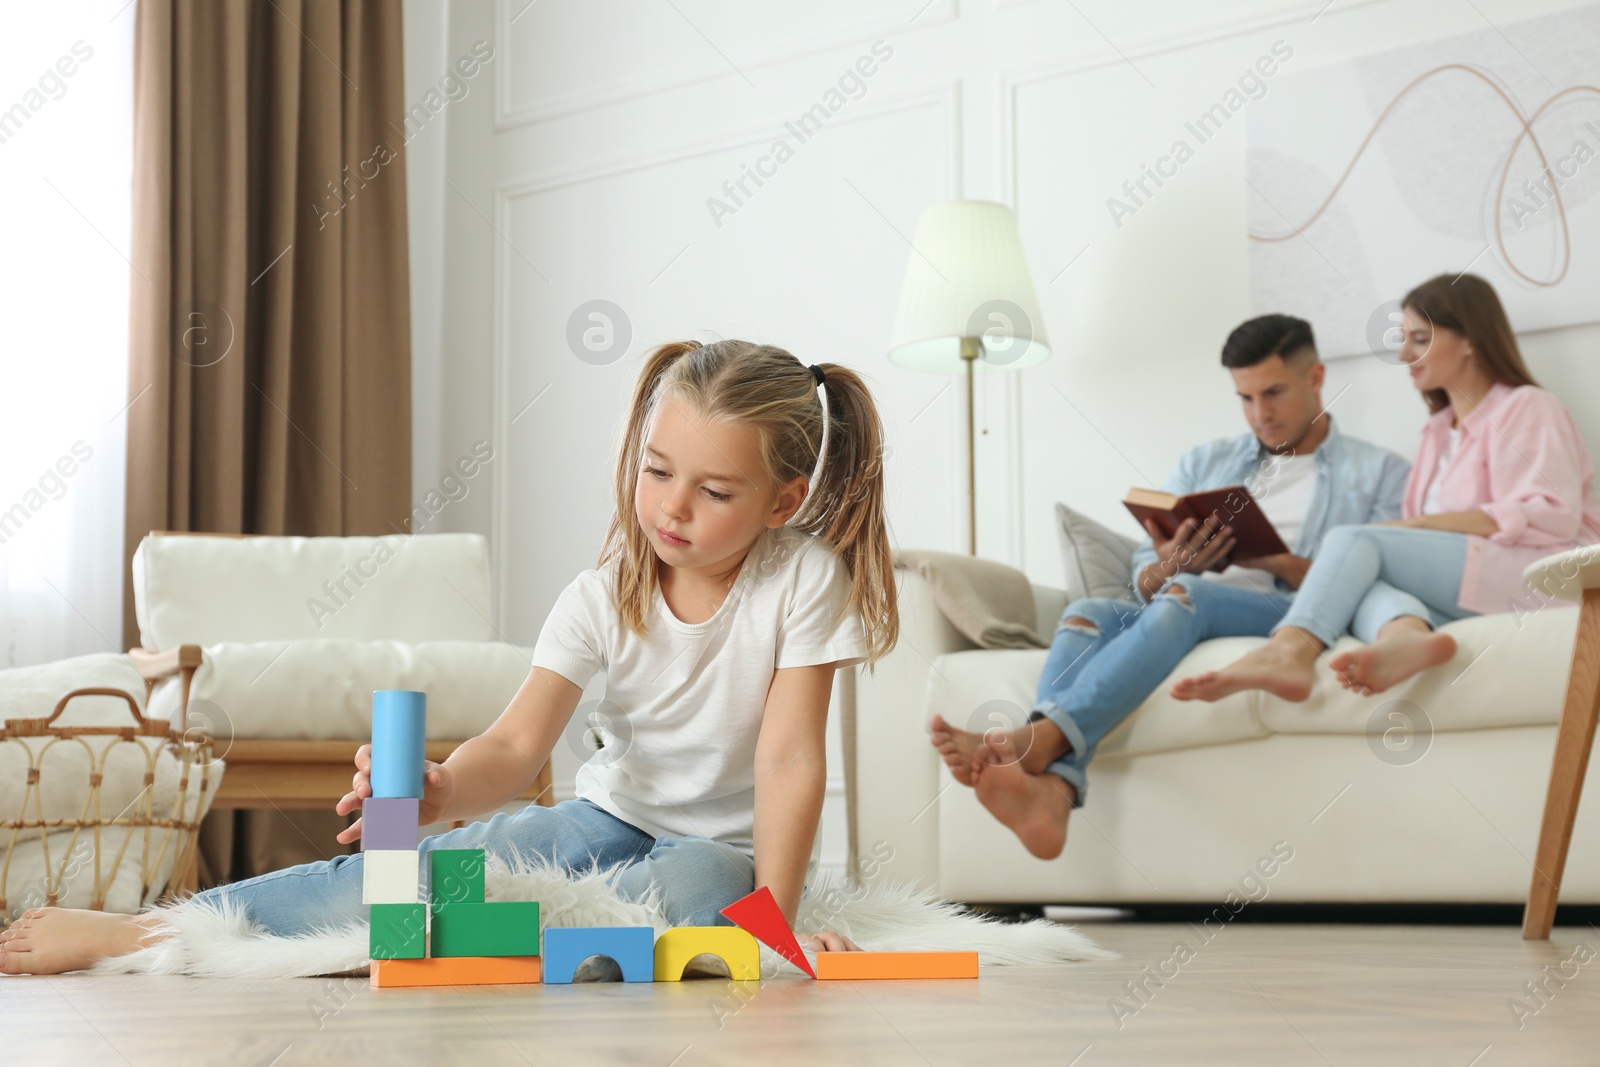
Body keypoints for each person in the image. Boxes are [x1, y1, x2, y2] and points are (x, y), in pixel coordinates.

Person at [0, 339, 897, 974]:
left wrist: (775, 915)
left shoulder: (802, 581)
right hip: (611, 817)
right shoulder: (602, 592)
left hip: (725, 848)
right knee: (428, 870)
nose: (671, 508)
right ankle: (158, 932)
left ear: (782, 503)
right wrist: (438, 791)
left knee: (693, 891)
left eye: (713, 490)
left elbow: (788, 755)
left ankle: (568, 935)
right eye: (657, 469)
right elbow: (513, 748)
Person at [931, 315, 1411, 859]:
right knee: (1087, 612)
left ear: (1317, 377)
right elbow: (1143, 577)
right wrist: (1170, 563)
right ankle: (1054, 791)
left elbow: (1378, 577)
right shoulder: (1205, 462)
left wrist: (1277, 560)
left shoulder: (1380, 473)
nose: (1262, 414)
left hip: (1288, 613)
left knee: (1190, 597)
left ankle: (1039, 740)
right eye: (1246, 398)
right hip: (1190, 599)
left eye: (1273, 393)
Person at [1173, 273, 1600, 704]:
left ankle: (1288, 650)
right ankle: (1405, 632)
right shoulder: (1436, 433)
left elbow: (1553, 514)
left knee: (1350, 540)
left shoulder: (1526, 406)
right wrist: (1414, 531)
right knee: (1357, 578)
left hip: (1535, 572)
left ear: (1469, 339)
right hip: (1470, 575)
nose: (1404, 353)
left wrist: (1420, 524)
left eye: (1419, 339)